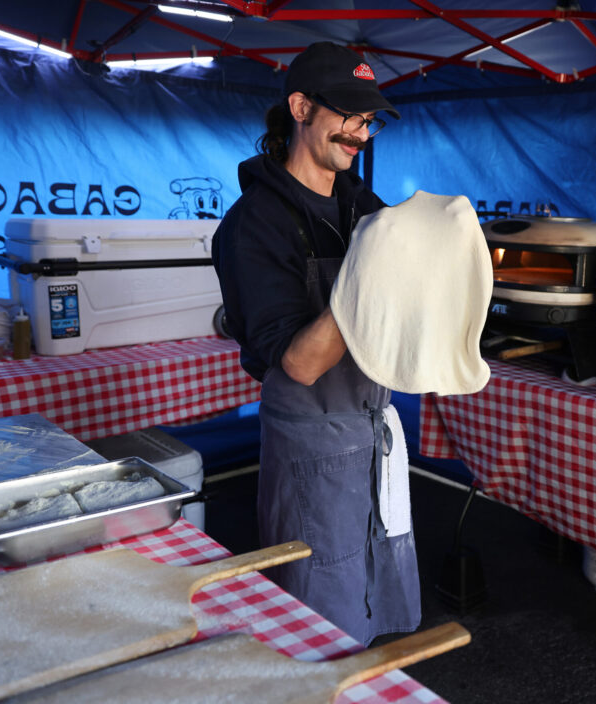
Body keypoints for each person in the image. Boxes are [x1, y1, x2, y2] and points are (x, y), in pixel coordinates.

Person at [211, 42, 420, 646]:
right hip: (310, 443)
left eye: (369, 120)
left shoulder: (362, 207)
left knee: (379, 583)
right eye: (349, 115)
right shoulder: (256, 223)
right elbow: (300, 362)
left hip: (372, 427)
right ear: (301, 107)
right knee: (319, 608)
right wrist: (371, 273)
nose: (361, 133)